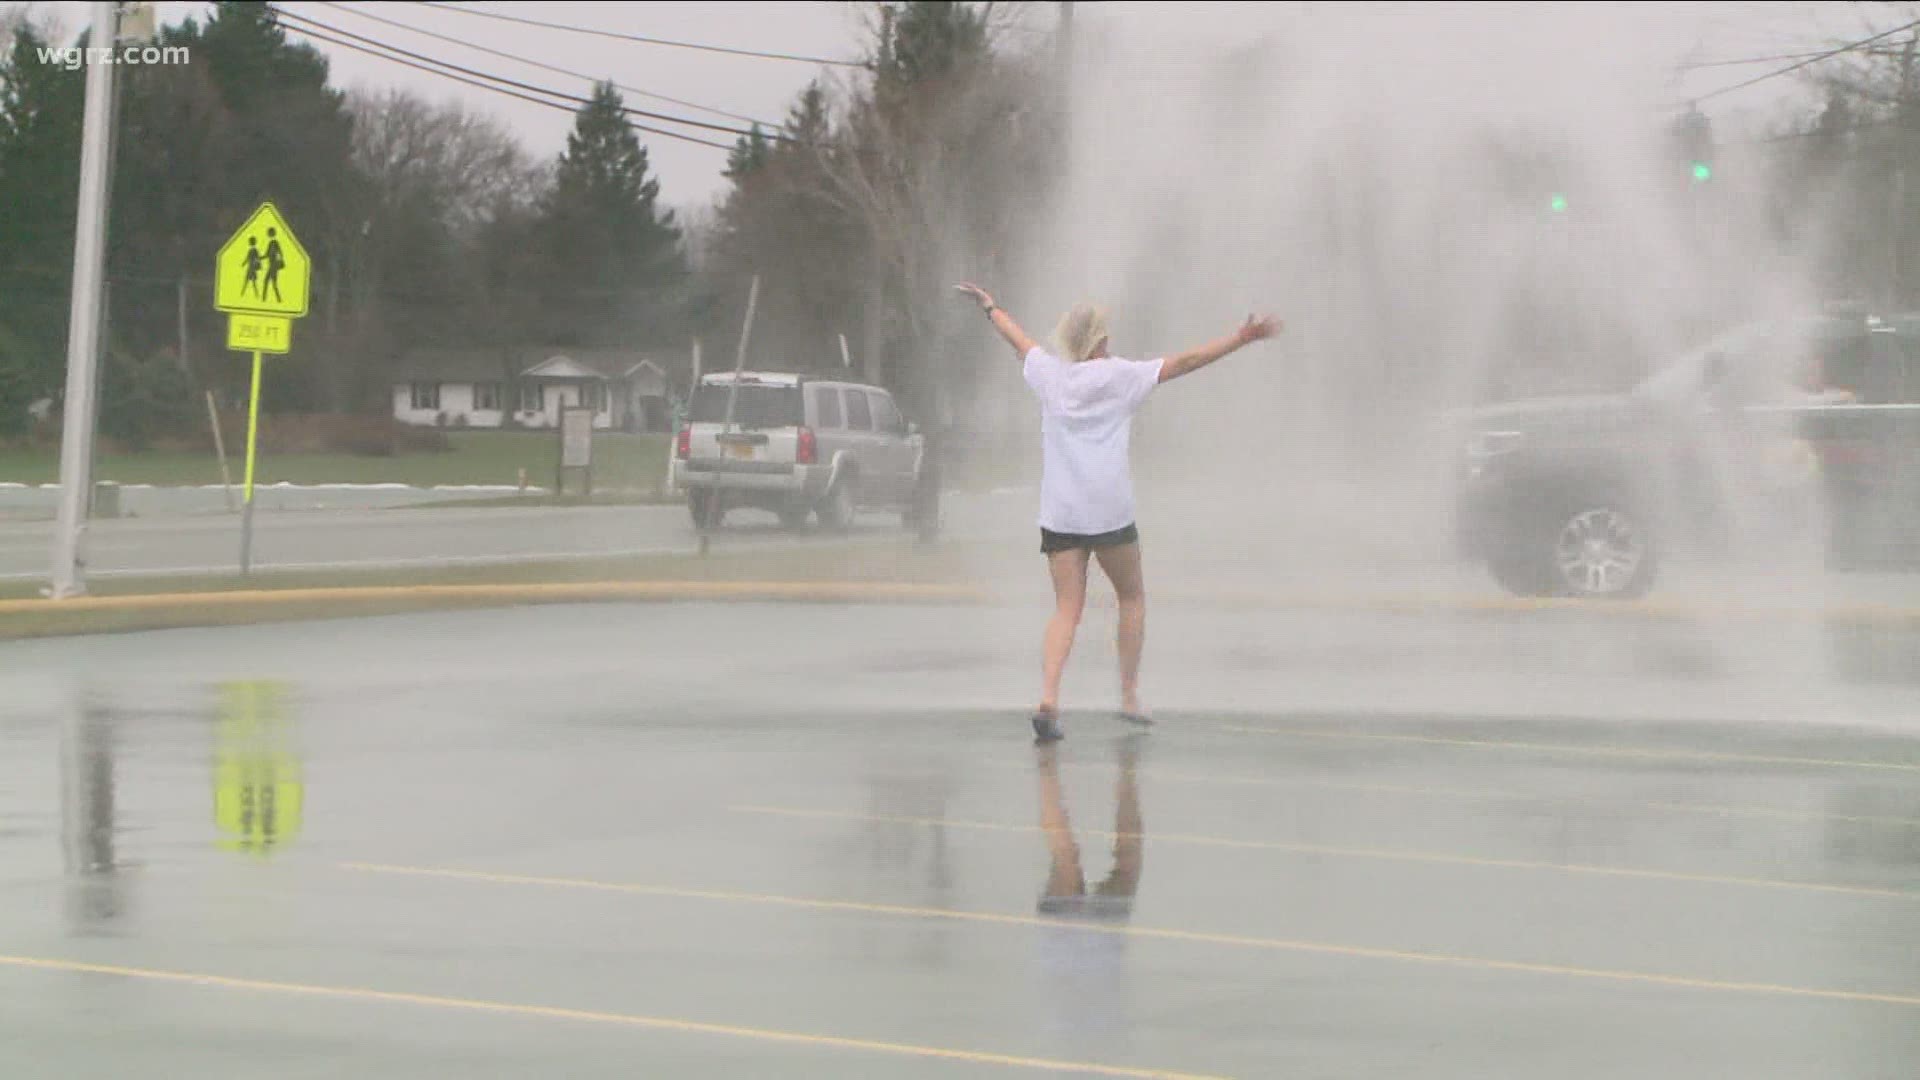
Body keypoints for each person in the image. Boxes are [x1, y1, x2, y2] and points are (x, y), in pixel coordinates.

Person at [955, 282, 1281, 741]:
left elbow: (1019, 340)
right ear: (1100, 341)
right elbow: (1184, 363)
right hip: (1109, 511)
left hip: (1061, 513)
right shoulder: (1121, 375)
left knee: (1066, 609)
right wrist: (1241, 338)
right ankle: (1128, 695)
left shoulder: (1049, 375)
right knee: (1131, 597)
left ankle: (1048, 698)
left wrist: (990, 308)